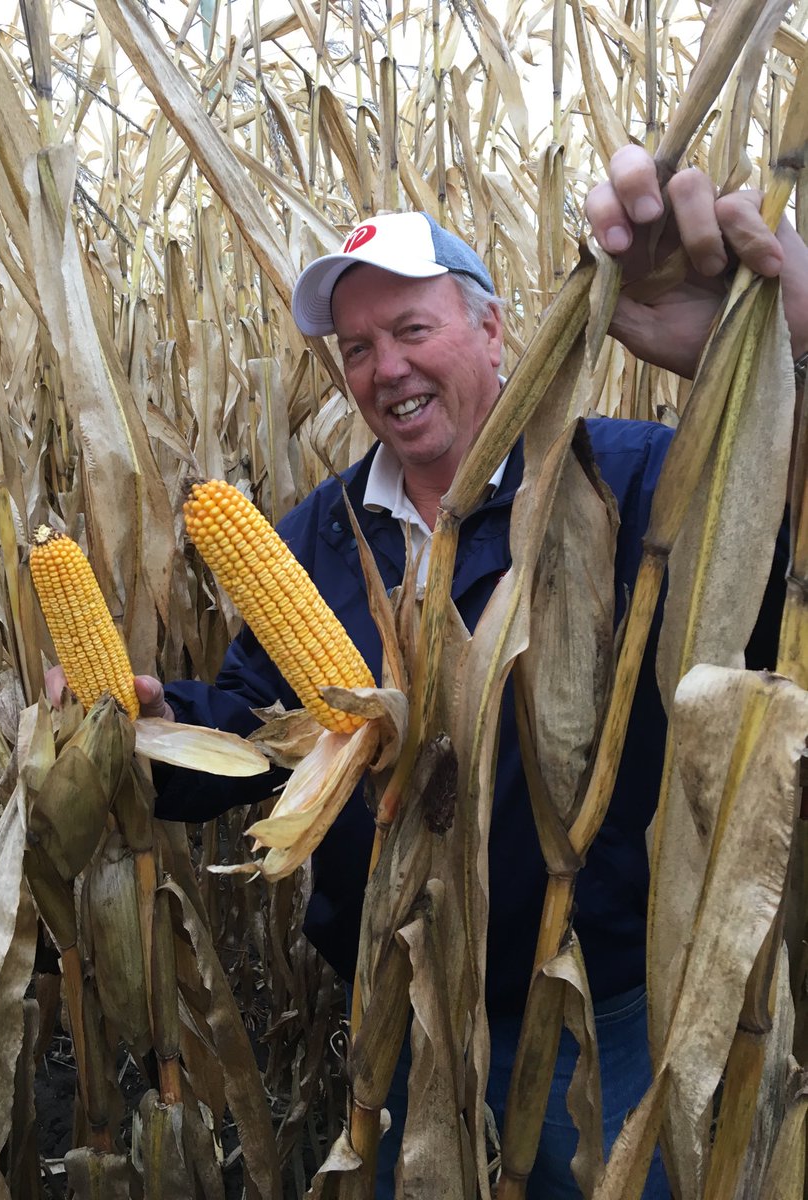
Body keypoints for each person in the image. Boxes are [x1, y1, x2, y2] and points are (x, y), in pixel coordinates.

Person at [48, 147, 806, 1197]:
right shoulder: (318, 535)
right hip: (398, 1012)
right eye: (358, 348)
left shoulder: (634, 481)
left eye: (411, 330)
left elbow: (783, 582)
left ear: (492, 331)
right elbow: (262, 733)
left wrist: (781, 365)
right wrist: (146, 729)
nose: (385, 369)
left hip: (598, 1015)